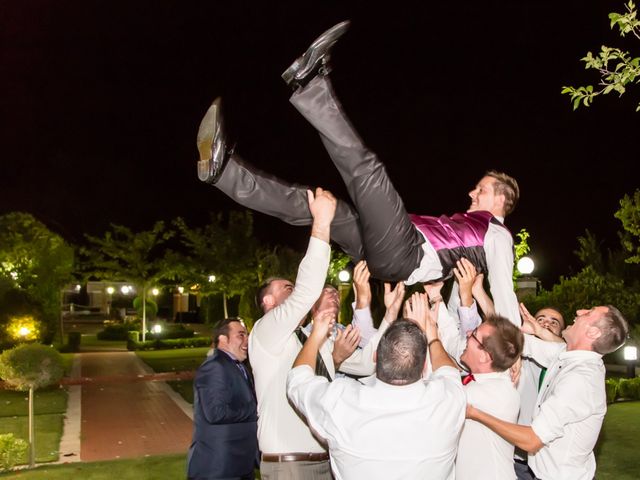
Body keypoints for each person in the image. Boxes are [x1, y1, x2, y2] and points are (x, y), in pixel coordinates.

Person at [195, 20, 521, 326]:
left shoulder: (498, 236)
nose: (471, 193)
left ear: (502, 199)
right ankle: (223, 171)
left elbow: (504, 291)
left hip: (403, 253)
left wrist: (514, 349)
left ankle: (309, 84)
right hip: (386, 251)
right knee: (323, 207)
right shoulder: (473, 231)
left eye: (482, 190)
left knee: (367, 170)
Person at [248, 187, 401, 480]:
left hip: (326, 459)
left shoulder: (309, 337)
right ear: (268, 302)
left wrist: (390, 314)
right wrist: (322, 222)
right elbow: (307, 292)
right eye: (286, 289)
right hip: (288, 464)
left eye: (293, 288)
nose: (294, 293)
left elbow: (369, 364)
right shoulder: (265, 332)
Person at [286, 292, 465, 480]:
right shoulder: (446, 402)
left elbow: (297, 380)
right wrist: (431, 334)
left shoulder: (342, 401)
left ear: (377, 356)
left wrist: (315, 336)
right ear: (424, 364)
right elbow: (448, 371)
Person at [466, 305, 629, 480]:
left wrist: (475, 413)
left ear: (593, 333)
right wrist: (532, 334)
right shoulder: (570, 357)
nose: (579, 312)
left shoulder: (580, 380)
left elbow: (531, 440)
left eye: (588, 313)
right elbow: (523, 344)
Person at [187, 318, 258, 480]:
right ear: (223, 340)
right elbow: (216, 413)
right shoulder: (215, 366)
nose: (247, 340)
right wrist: (257, 410)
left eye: (247, 335)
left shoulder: (239, 367)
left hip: (239, 464)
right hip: (219, 468)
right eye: (241, 335)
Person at [455, 313, 524, 480]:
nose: (468, 333)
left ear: (485, 356)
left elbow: (443, 385)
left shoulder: (490, 392)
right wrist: (437, 301)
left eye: (474, 335)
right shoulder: (489, 381)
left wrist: (432, 337)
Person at [513, 304, 565, 480]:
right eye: (540, 319)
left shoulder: (568, 366)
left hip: (553, 463)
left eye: (554, 322)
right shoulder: (518, 358)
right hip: (517, 459)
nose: (545, 324)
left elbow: (567, 350)